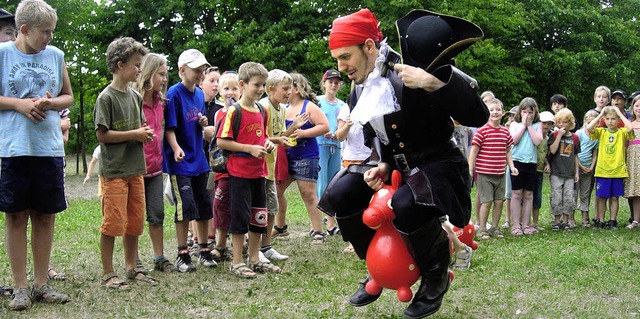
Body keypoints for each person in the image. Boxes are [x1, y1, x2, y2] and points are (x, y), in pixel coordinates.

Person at [319, 9, 488, 318]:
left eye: (345, 57)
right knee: (340, 193)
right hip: (396, 168)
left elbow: (479, 115)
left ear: (369, 47)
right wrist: (381, 165)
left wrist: (432, 82)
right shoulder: (359, 88)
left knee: (407, 203)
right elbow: (380, 137)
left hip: (438, 163)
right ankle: (378, 267)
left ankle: (435, 277)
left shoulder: (415, 64)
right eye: (337, 60)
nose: (341, 68)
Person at [0, 0, 72, 310]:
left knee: (45, 215)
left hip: (48, 148)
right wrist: (20, 104)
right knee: (16, 216)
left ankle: (42, 284)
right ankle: (20, 288)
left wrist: (50, 103)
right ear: (25, 29)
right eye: (45, 32)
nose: (50, 39)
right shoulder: (2, 54)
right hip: (14, 148)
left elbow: (66, 94)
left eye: (52, 32)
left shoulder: (55, 56)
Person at [94, 37, 158, 290]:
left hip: (135, 170)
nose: (140, 70)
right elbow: (102, 135)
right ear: (120, 65)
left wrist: (144, 132)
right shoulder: (106, 98)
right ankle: (108, 273)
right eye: (136, 65)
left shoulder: (134, 96)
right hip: (114, 172)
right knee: (113, 223)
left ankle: (132, 267)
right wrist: (135, 134)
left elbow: (139, 126)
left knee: (134, 222)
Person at [216, 62, 281, 278]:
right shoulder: (234, 112)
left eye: (263, 85)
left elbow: (261, 136)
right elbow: (222, 142)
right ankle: (236, 261)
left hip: (259, 173)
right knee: (240, 217)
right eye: (257, 85)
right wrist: (249, 149)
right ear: (242, 84)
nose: (261, 89)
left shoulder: (261, 110)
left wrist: (268, 143)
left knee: (258, 217)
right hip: (239, 174)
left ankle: (254, 259)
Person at [163, 48, 217, 272]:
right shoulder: (174, 94)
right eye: (196, 70)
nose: (200, 74)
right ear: (182, 70)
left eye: (202, 69)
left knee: (204, 205)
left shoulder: (198, 94)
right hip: (181, 160)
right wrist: (175, 148)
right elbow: (169, 127)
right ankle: (182, 254)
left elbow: (198, 119)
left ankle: (203, 250)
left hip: (199, 159)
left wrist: (203, 121)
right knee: (185, 206)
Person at [133, 53, 178, 272]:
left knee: (157, 213)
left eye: (166, 74)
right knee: (134, 216)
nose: (164, 79)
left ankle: (159, 257)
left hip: (155, 166)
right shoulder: (133, 99)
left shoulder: (162, 101)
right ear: (149, 74)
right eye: (161, 74)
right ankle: (133, 259)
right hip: (134, 167)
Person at [275, 72, 329, 244]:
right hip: (285, 157)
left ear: (297, 89)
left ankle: (318, 231)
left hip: (306, 156)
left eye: (287, 87)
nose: (285, 91)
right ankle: (280, 227)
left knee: (308, 194)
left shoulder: (309, 107)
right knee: (276, 192)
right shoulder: (283, 110)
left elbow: (325, 126)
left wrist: (304, 132)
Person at [258, 69, 294, 262]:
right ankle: (254, 246)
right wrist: (279, 139)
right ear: (271, 89)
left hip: (270, 168)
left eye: (290, 89)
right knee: (258, 208)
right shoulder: (263, 107)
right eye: (285, 89)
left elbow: (279, 135)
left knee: (272, 206)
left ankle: (267, 245)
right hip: (258, 168)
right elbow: (259, 135)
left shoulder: (282, 108)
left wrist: (283, 139)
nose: (289, 92)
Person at [468, 98, 517, 240]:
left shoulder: (505, 132)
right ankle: (482, 229)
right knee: (486, 201)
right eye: (491, 110)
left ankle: (495, 227)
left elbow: (507, 151)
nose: (495, 112)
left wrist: (512, 167)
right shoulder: (482, 131)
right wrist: (470, 169)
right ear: (487, 112)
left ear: (502, 112)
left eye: (498, 109)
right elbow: (474, 152)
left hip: (500, 173)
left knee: (498, 201)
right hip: (484, 174)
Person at [207, 71, 241, 263]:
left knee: (239, 204)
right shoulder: (219, 113)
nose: (230, 92)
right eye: (226, 88)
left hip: (239, 166)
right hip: (222, 167)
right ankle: (220, 244)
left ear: (241, 90)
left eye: (234, 88)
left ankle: (241, 241)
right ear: (220, 91)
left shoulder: (243, 110)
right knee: (219, 204)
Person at [587, 106, 634, 230]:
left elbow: (630, 128)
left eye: (613, 119)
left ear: (618, 120)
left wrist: (619, 112)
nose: (610, 121)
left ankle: (613, 220)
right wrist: (601, 114)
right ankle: (601, 220)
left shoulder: (621, 132)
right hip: (603, 171)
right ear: (604, 119)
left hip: (617, 171)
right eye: (607, 119)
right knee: (602, 197)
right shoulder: (601, 132)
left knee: (614, 197)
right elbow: (589, 128)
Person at [509, 98, 543, 236]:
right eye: (524, 111)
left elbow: (537, 141)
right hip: (517, 162)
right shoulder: (515, 124)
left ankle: (526, 224)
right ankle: (516, 225)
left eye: (531, 112)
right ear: (520, 112)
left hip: (531, 163)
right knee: (517, 193)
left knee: (528, 194)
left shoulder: (537, 125)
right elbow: (513, 140)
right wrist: (523, 126)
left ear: (535, 112)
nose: (527, 115)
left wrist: (529, 126)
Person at [316, 69, 344, 235]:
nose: (333, 85)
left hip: (336, 146)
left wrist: (337, 134)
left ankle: (331, 223)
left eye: (336, 82)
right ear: (324, 83)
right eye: (330, 81)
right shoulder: (317, 102)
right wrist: (321, 131)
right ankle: (319, 223)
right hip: (321, 145)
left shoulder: (342, 105)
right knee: (322, 185)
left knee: (335, 184)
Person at [548, 109, 580, 230]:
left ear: (570, 123)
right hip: (556, 172)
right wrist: (559, 136)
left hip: (570, 173)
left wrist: (577, 172)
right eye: (560, 122)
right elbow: (552, 150)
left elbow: (576, 156)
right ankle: (557, 221)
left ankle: (566, 221)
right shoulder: (554, 135)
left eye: (565, 122)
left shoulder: (575, 138)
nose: (562, 125)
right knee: (556, 195)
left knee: (568, 196)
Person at [531, 111, 554, 230]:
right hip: (530, 169)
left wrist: (547, 164)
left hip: (539, 171)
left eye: (549, 124)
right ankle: (521, 222)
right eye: (544, 123)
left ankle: (535, 223)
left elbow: (544, 154)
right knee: (526, 196)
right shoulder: (534, 135)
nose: (546, 126)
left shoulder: (548, 139)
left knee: (537, 198)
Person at [576, 111, 599, 227]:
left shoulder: (596, 138)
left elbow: (595, 153)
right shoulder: (579, 134)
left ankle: (585, 218)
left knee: (585, 193)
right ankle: (570, 218)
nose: (592, 125)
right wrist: (579, 165)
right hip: (576, 167)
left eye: (594, 123)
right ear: (585, 122)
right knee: (573, 192)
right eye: (589, 122)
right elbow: (574, 152)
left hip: (588, 168)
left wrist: (591, 167)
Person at [625, 95, 640, 228]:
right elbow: (625, 144)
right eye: (637, 105)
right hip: (633, 160)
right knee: (636, 192)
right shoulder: (629, 125)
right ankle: (636, 220)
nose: (639, 108)